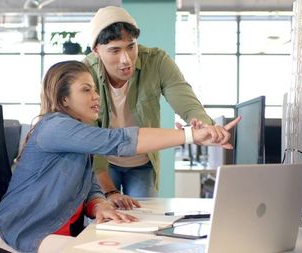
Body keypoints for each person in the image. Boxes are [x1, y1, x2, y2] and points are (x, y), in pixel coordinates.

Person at [0, 61, 239, 253]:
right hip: (15, 238)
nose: (96, 97)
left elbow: (90, 187)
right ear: (63, 98)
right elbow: (117, 141)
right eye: (86, 90)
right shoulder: (54, 127)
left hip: (49, 235)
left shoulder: (76, 136)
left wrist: (101, 205)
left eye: (95, 89)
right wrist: (191, 135)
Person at [83, 6, 215, 208]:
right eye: (115, 50)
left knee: (144, 218)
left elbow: (186, 102)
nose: (126, 59)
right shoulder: (85, 74)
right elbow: (89, 137)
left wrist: (205, 126)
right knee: (103, 221)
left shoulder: (156, 61)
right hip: (102, 163)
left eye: (131, 46)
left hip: (141, 163)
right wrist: (108, 190)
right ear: (96, 50)